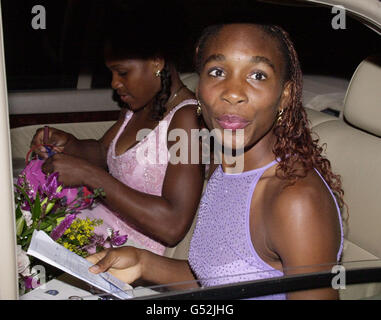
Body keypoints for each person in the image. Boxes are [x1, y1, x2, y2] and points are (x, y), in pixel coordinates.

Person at [86, 23, 345, 300]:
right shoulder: (227, 169)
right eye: (217, 72)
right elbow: (219, 280)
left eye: (258, 75)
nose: (232, 92)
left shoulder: (296, 200)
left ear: (285, 96)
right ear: (199, 90)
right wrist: (141, 262)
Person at [30, 2, 205, 255]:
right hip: (98, 224)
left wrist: (90, 176)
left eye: (122, 72)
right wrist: (69, 144)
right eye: (111, 73)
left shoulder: (186, 119)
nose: (114, 83)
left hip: (129, 250)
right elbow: (104, 153)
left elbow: (173, 225)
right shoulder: (137, 108)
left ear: (156, 61)